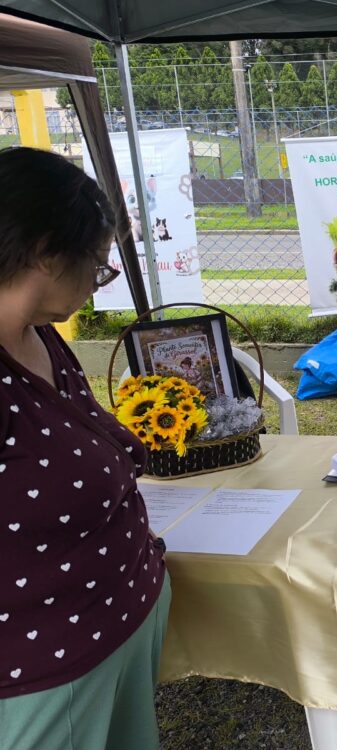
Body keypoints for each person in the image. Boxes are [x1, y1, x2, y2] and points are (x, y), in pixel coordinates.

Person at [0, 147, 169, 749]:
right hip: (44, 664)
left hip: (112, 625)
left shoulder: (41, 336)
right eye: (97, 267)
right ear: (46, 252)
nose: (97, 286)